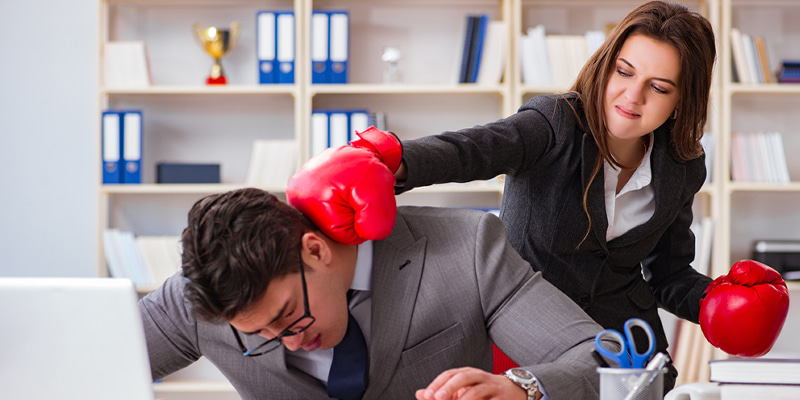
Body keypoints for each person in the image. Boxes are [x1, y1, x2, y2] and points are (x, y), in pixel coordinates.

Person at [285, 0, 789, 392]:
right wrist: (386, 159)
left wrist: (713, 302)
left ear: (682, 100)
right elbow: (470, 150)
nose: (632, 97)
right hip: (526, 339)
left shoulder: (683, 165)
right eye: (625, 72)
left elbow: (667, 272)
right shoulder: (554, 124)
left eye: (659, 87)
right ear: (606, 65)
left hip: (626, 350)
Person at [140, 187, 615, 400]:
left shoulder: (464, 250)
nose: (287, 341)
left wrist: (523, 388)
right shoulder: (198, 301)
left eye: (288, 316)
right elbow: (81, 369)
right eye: (259, 334)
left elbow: (609, 361)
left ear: (314, 249)